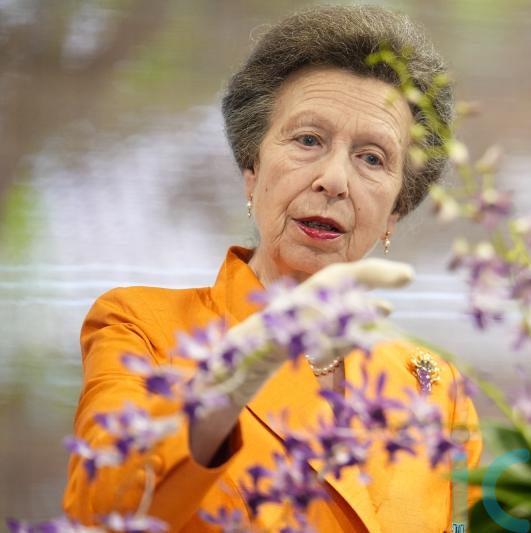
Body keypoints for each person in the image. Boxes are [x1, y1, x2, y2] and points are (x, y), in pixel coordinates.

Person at [62, 6, 482, 532]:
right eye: (308, 140)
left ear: (397, 208)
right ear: (251, 170)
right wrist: (224, 391)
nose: (334, 179)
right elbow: (100, 512)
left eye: (372, 158)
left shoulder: (437, 388)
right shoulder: (141, 325)